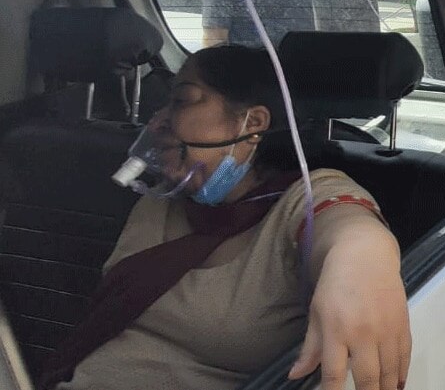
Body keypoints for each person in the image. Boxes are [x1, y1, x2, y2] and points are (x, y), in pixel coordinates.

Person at [40, 45, 411, 390]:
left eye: (182, 101)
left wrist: (363, 266)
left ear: (252, 124)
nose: (157, 124)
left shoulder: (301, 198)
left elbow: (349, 223)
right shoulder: (163, 198)